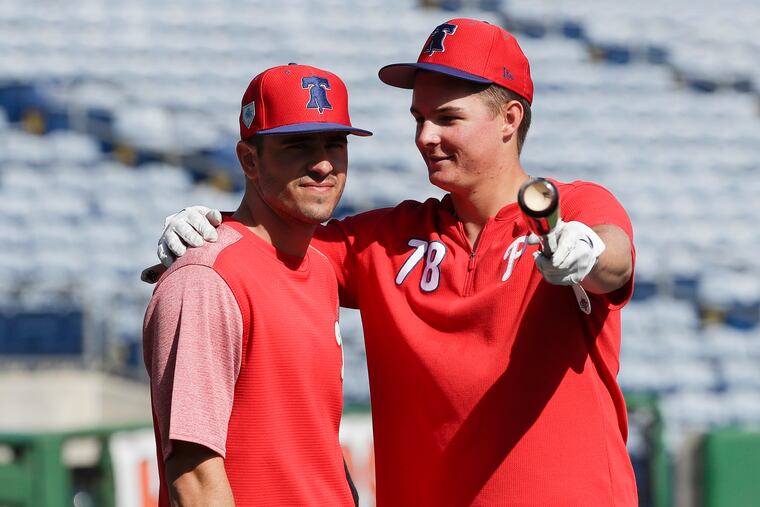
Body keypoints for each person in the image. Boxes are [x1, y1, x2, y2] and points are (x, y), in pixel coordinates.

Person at [150, 19, 637, 506]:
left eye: (447, 118)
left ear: (509, 119)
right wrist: (210, 233)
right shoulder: (383, 240)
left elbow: (614, 260)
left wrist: (587, 252)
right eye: (417, 118)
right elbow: (262, 250)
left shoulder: (571, 209)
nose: (425, 136)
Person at [142, 63, 369, 506]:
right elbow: (194, 475)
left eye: (334, 144)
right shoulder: (206, 279)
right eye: (298, 145)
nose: (323, 163)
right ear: (249, 159)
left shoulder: (321, 266)